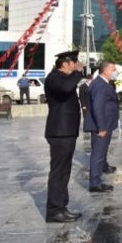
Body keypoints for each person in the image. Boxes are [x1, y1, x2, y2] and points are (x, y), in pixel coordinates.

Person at [43, 50, 84, 223]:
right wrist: (77, 73)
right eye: (73, 63)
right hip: (60, 132)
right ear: (66, 63)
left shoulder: (62, 78)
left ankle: (61, 207)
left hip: (66, 132)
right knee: (58, 172)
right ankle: (54, 210)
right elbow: (67, 88)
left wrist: (75, 74)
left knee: (64, 172)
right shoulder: (54, 78)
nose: (76, 66)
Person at [84, 61, 119, 193]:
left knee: (101, 153)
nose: (115, 72)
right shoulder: (99, 84)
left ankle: (97, 180)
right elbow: (98, 107)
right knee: (98, 154)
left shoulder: (103, 83)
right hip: (101, 126)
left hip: (106, 124)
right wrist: (102, 128)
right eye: (113, 70)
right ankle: (94, 183)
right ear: (105, 70)